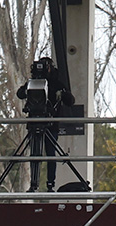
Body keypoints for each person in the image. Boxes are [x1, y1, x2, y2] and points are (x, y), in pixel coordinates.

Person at [16, 56, 74, 192]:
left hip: (51, 124)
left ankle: (50, 184)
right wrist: (28, 89)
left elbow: (70, 101)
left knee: (50, 154)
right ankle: (33, 184)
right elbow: (20, 94)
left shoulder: (56, 83)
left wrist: (62, 94)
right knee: (35, 154)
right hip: (34, 122)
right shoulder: (32, 83)